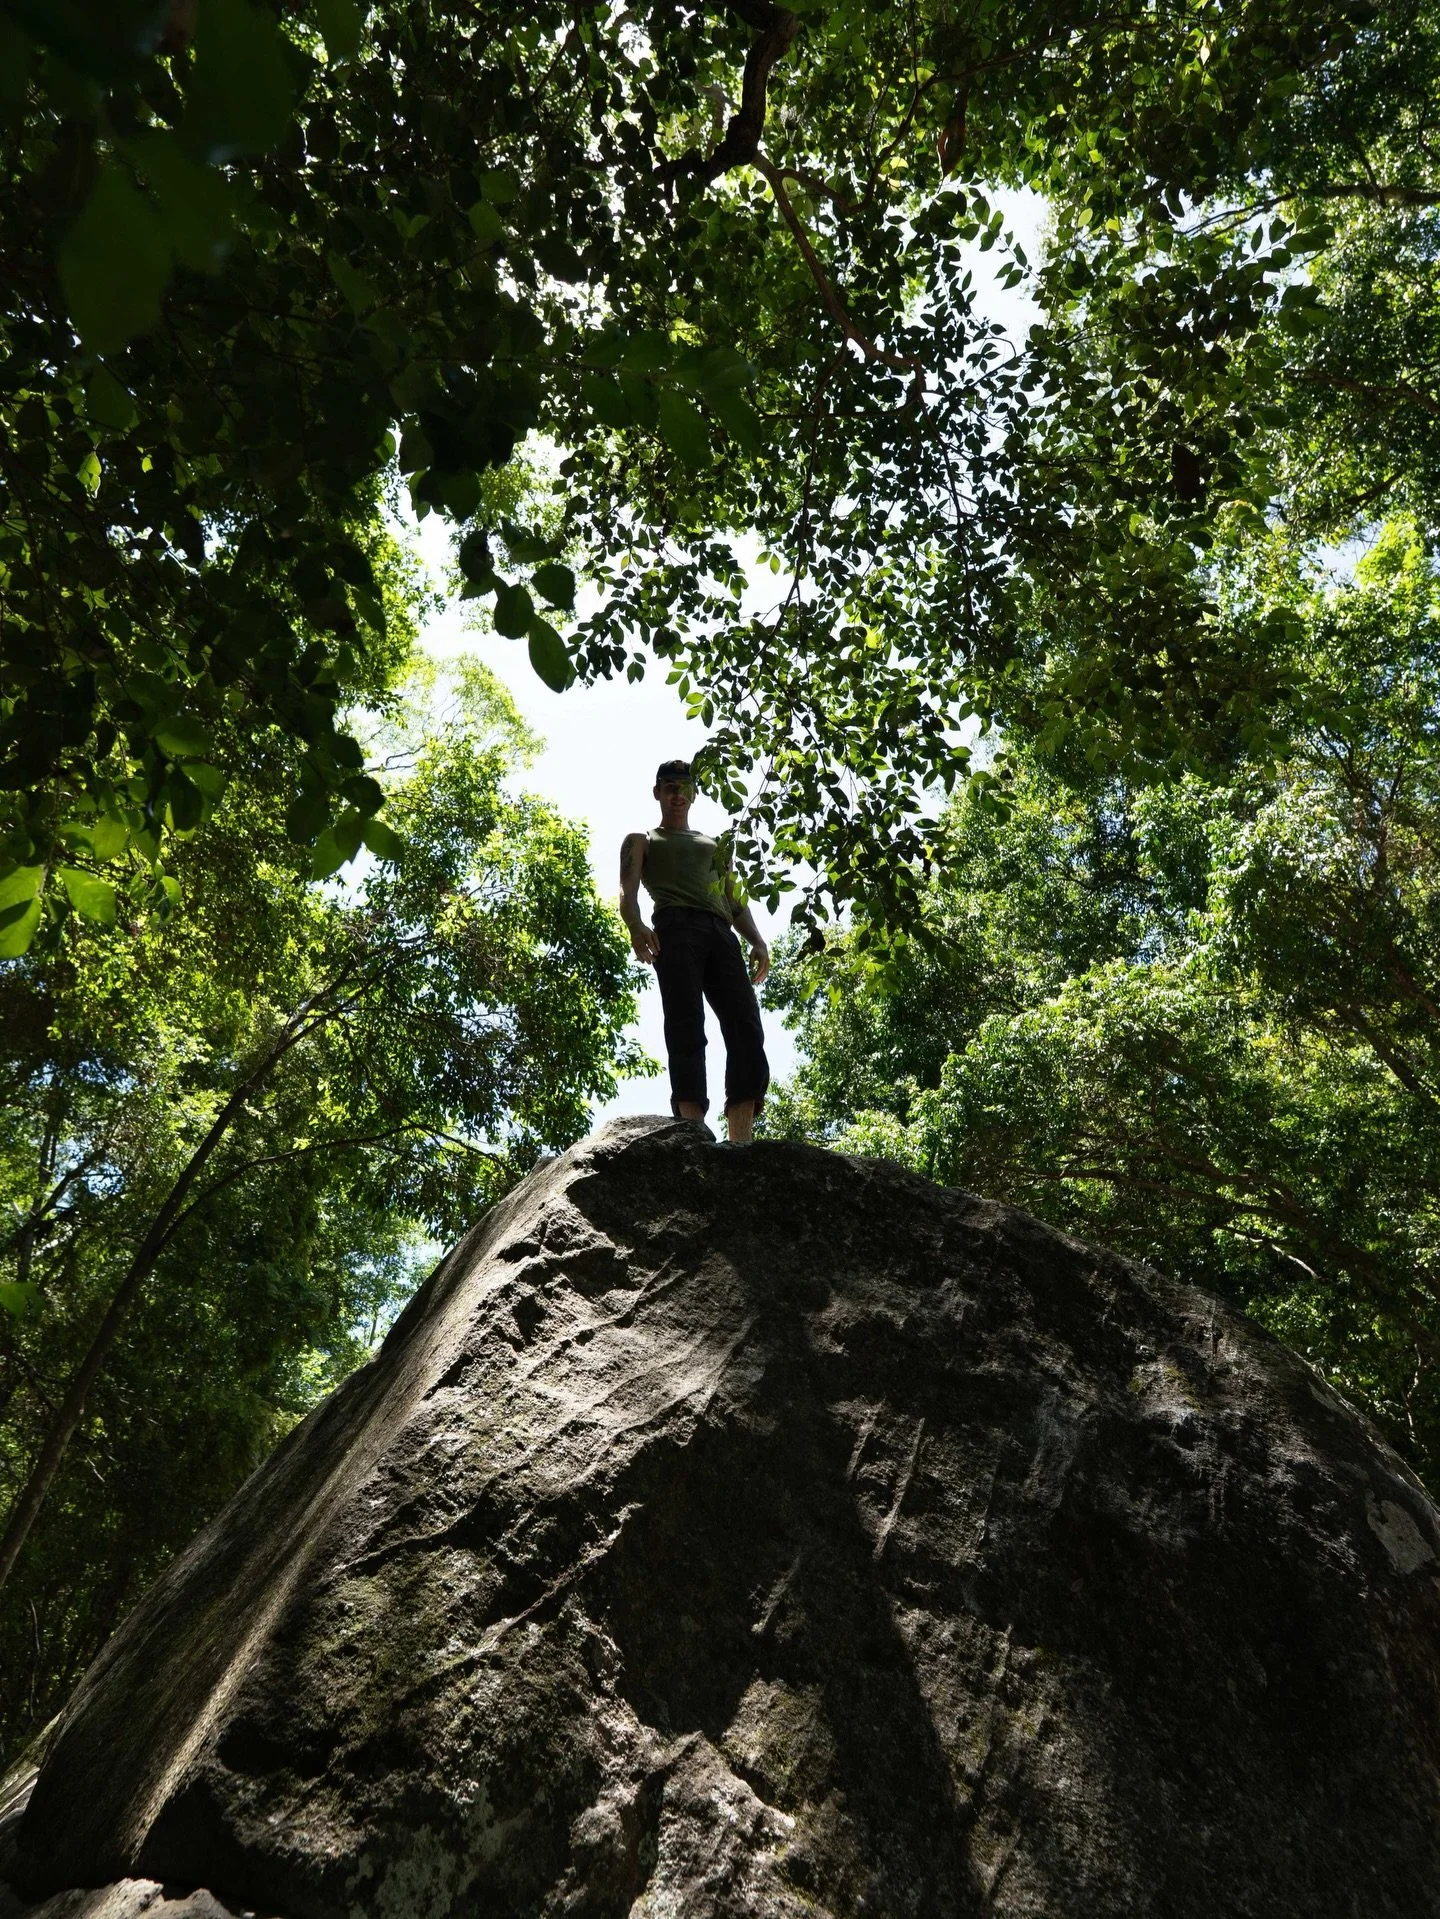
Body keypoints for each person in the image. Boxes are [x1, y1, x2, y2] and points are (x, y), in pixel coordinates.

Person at [619, 759, 770, 1143]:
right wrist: (636, 925)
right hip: (675, 927)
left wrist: (757, 940)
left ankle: (741, 1140)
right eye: (669, 787)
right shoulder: (643, 841)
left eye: (684, 788)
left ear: (694, 795)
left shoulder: (715, 846)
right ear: (657, 792)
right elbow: (627, 892)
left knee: (746, 1024)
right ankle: (693, 1130)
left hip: (721, 933)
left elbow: (735, 900)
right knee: (685, 1022)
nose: (677, 794)